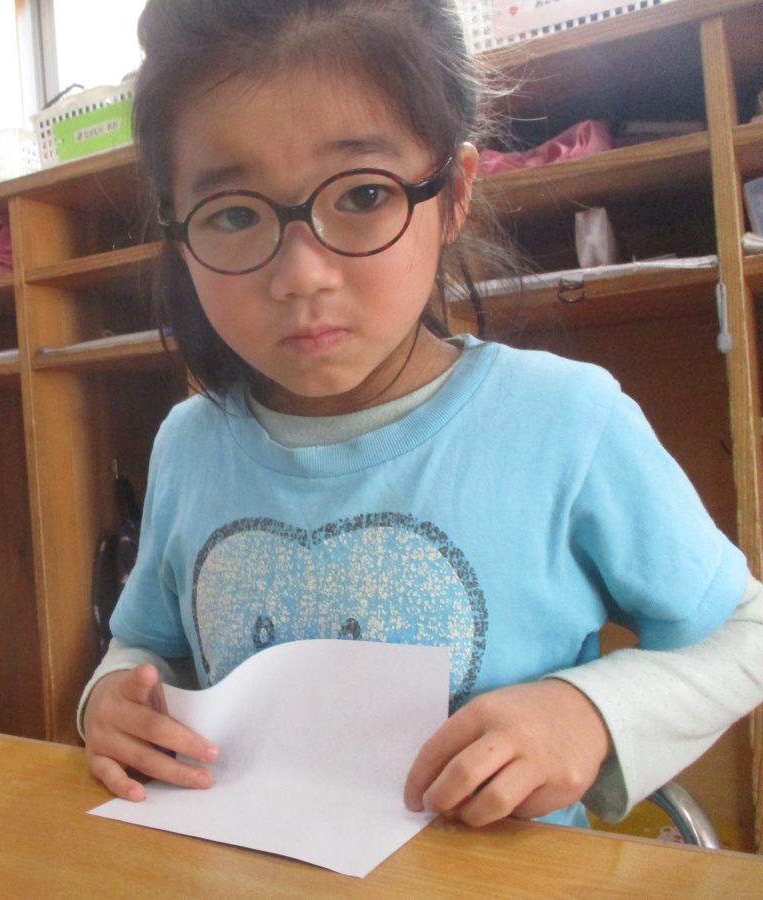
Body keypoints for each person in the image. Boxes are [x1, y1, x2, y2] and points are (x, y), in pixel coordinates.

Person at [79, 0, 763, 829]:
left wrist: (587, 714)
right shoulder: (191, 445)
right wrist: (109, 701)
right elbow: (143, 646)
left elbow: (745, 632)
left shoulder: (564, 423)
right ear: (176, 230)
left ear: (455, 192)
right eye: (232, 215)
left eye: (364, 194)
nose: (301, 275)